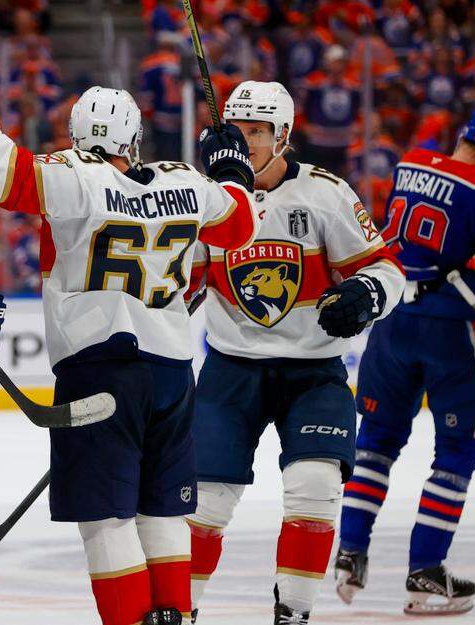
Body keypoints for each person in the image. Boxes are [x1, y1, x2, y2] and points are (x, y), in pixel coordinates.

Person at [0, 39, 261, 625]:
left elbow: (5, 173)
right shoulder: (187, 182)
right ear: (134, 140)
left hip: (100, 368)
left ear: (77, 137)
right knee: (162, 514)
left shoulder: (74, 176)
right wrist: (232, 170)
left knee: (107, 518)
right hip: (174, 375)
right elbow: (241, 225)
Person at [182, 81, 405, 625]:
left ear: (283, 135)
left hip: (314, 371)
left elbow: (386, 270)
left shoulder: (326, 194)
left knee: (315, 487)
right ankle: (176, 609)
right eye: (237, 131)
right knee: (204, 501)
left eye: (257, 131)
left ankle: (294, 613)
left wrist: (367, 293)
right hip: (231, 370)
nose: (247, 142)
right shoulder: (205, 197)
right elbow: (177, 287)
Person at [335, 104, 475, 615]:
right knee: (458, 451)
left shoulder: (413, 163)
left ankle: (349, 555)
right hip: (452, 332)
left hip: (394, 321)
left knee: (377, 442)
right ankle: (425, 572)